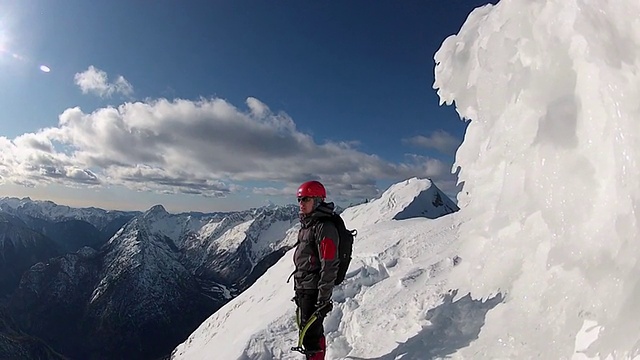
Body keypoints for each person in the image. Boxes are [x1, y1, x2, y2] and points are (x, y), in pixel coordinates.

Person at [291, 180, 340, 360]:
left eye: (305, 199)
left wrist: (323, 298)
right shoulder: (308, 225)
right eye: (299, 199)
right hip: (304, 287)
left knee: (311, 335)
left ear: (318, 200)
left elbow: (329, 264)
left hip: (313, 290)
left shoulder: (324, 227)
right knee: (308, 332)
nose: (301, 203)